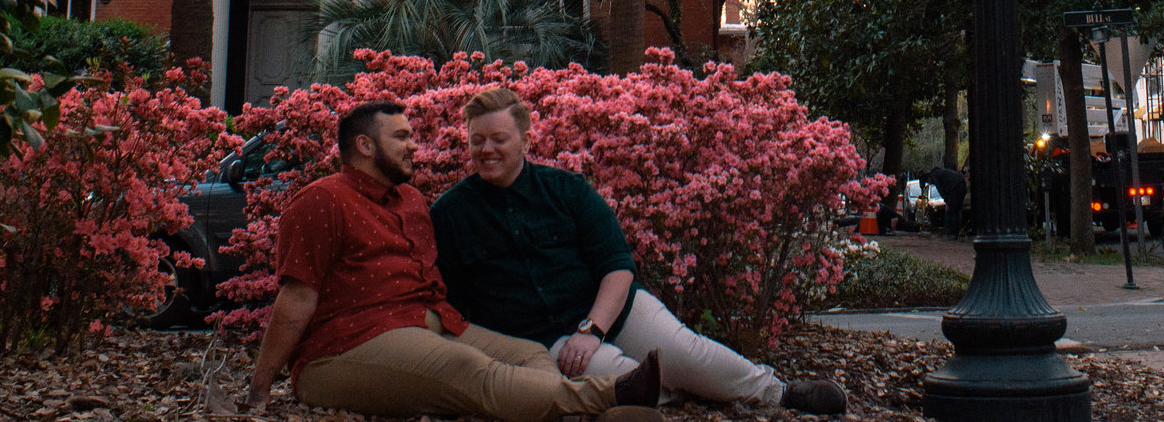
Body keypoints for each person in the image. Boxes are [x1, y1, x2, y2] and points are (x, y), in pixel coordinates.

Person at [431, 87, 848, 416]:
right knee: (623, 380)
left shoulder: (567, 191)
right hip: (543, 341)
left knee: (687, 354)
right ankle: (687, 393)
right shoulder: (450, 214)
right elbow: (452, 301)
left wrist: (591, 330)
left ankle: (779, 393)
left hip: (611, 311)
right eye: (477, 140)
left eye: (498, 139)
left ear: (523, 139)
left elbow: (617, 266)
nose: (486, 150)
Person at [248, 99, 665, 418]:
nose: (415, 145)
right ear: (364, 146)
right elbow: (296, 300)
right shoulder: (321, 201)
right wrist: (260, 389)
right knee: (470, 367)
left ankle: (570, 415)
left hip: (426, 320)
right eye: (402, 137)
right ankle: (613, 395)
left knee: (528, 355)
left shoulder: (410, 201)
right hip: (343, 347)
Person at [927, 164, 967, 239]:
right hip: (961, 186)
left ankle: (951, 233)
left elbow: (941, 190)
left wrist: (947, 202)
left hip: (954, 188)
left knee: (951, 211)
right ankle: (956, 232)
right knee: (957, 210)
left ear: (929, 178)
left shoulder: (934, 175)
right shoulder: (943, 173)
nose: (930, 184)